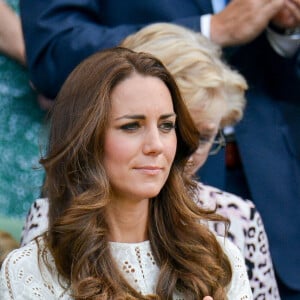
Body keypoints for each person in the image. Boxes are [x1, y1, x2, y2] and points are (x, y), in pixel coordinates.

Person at [19, 1, 300, 298]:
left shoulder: (230, 238)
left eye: (168, 126)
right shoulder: (41, 253)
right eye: (133, 126)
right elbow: (53, 46)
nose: (164, 147)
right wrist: (212, 29)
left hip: (273, 191)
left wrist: (285, 31)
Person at [0, 47, 253, 299]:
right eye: (131, 126)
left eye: (166, 125)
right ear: (86, 139)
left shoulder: (218, 259)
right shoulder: (30, 271)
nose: (156, 145)